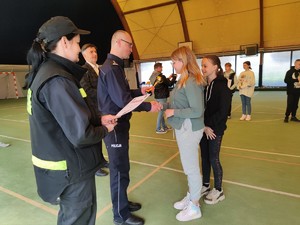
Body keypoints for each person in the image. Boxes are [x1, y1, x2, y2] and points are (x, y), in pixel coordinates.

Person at [23, 16, 116, 225]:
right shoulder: (57, 80)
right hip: (71, 170)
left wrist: (99, 119)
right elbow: (81, 134)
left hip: (65, 166)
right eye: (76, 43)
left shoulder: (47, 73)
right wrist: (105, 129)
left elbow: (66, 118)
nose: (79, 48)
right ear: (64, 42)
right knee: (77, 219)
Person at [97, 30, 161, 225]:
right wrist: (148, 105)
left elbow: (123, 93)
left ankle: (122, 202)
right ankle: (120, 215)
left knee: (123, 168)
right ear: (118, 42)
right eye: (129, 44)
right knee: (118, 170)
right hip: (114, 127)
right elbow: (123, 100)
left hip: (119, 126)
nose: (132, 49)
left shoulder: (115, 67)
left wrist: (138, 91)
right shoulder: (111, 67)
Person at [164, 46, 206, 222]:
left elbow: (197, 110)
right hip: (184, 127)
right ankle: (191, 197)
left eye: (174, 61)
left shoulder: (190, 81)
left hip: (189, 127)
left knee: (191, 169)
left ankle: (195, 206)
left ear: (183, 61)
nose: (173, 64)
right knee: (189, 167)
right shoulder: (184, 78)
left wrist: (174, 112)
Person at [199, 55, 231, 205]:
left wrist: (208, 125)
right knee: (204, 158)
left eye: (205, 65)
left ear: (215, 67)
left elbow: (223, 112)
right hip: (204, 128)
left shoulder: (222, 86)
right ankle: (205, 185)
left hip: (214, 130)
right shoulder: (206, 85)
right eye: (202, 65)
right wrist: (203, 126)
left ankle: (219, 190)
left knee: (213, 158)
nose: (202, 68)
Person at [81, 43, 109, 176]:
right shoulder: (83, 70)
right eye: (91, 52)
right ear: (84, 55)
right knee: (95, 139)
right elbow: (86, 90)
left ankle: (101, 161)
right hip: (92, 109)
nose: (94, 54)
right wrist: (104, 93)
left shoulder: (100, 69)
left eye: (95, 51)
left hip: (102, 107)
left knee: (103, 136)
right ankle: (95, 167)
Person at [149, 62, 177, 134]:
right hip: (162, 96)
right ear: (158, 68)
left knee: (160, 111)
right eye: (161, 67)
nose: (162, 68)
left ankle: (164, 126)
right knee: (161, 113)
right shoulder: (161, 76)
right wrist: (174, 77)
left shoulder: (153, 76)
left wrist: (169, 77)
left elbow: (161, 82)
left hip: (157, 96)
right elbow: (169, 84)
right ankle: (158, 128)